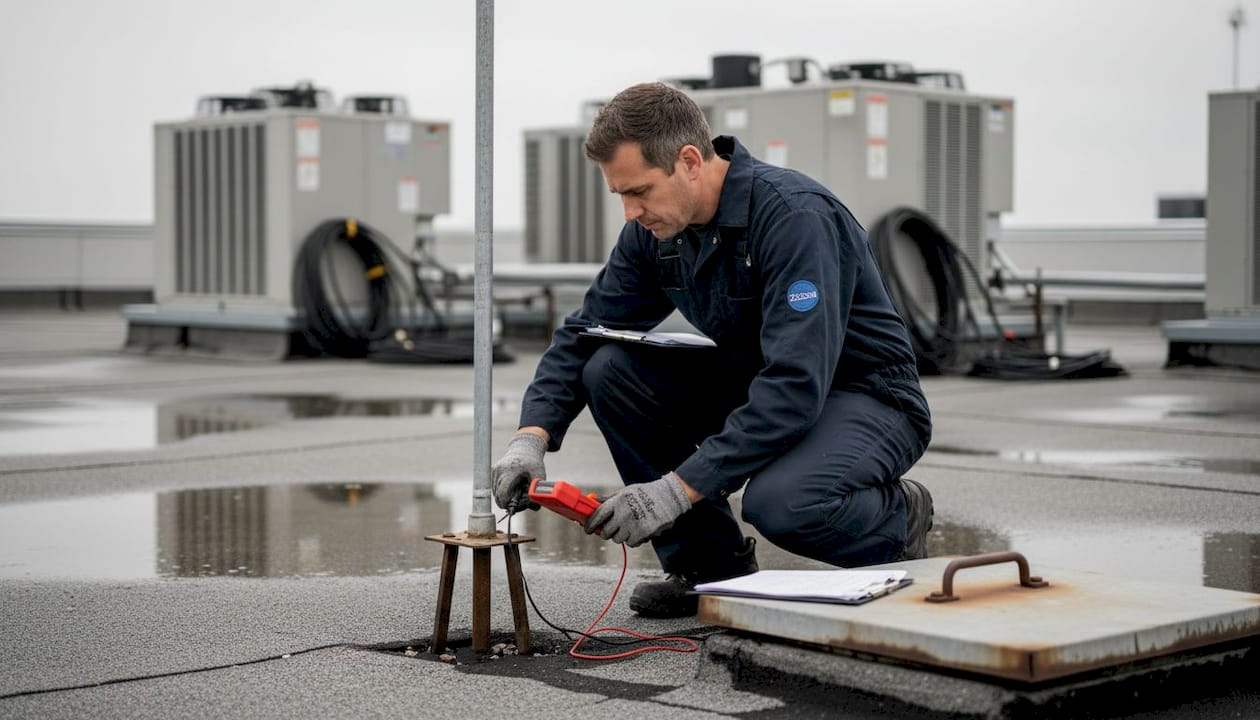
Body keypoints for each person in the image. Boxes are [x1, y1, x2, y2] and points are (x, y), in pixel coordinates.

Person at [492, 82, 933, 619]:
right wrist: (529, 438)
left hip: (865, 396)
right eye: (621, 196)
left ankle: (897, 518)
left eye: (641, 191)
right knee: (610, 369)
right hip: (761, 382)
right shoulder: (656, 231)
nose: (631, 212)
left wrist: (675, 491)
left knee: (782, 505)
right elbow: (586, 331)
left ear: (689, 161)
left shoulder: (794, 217)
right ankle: (709, 567)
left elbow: (796, 383)